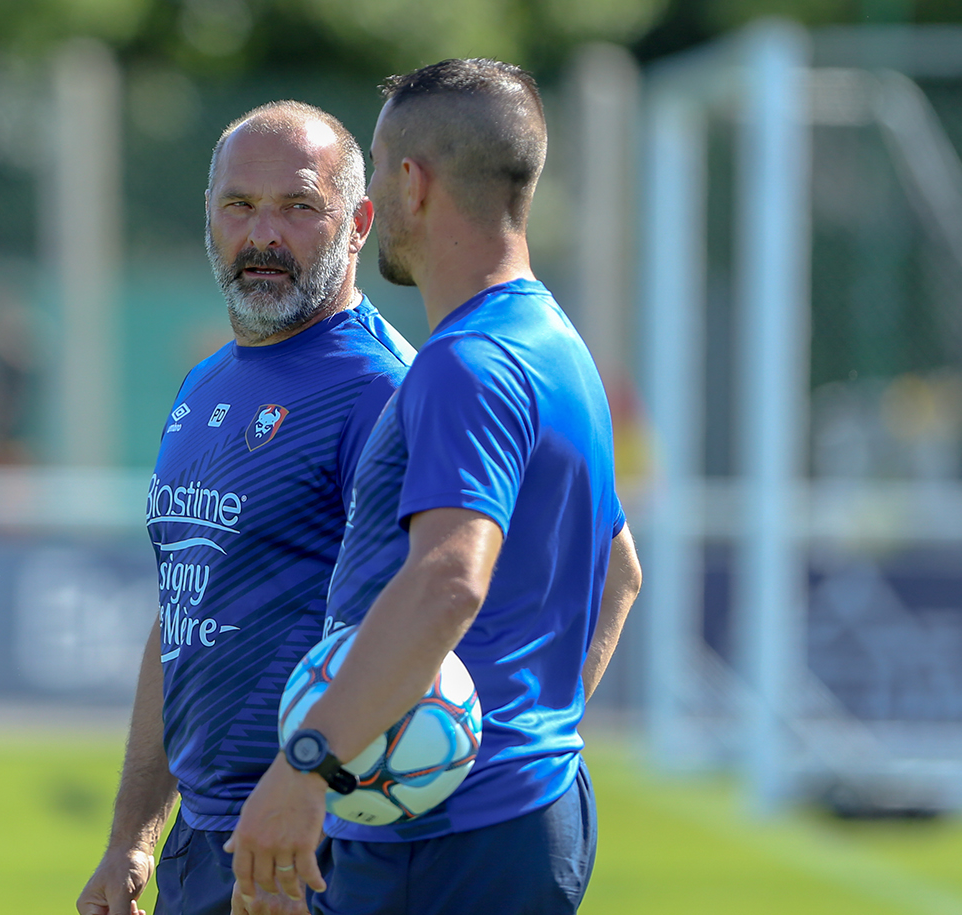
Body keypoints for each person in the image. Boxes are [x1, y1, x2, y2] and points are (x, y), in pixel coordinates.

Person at [227, 59, 643, 915]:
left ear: (411, 184)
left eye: (377, 168)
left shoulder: (468, 364)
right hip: (520, 811)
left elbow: (449, 576)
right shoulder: (557, 345)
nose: (373, 193)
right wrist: (531, 737)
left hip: (446, 838)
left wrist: (306, 769)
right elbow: (622, 573)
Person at [76, 101, 414, 915]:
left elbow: (429, 624)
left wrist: (321, 809)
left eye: (299, 206)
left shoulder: (384, 393)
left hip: (314, 849)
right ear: (210, 216)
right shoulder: (204, 384)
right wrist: (133, 836)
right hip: (205, 841)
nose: (263, 233)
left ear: (359, 221)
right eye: (240, 205)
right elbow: (182, 615)